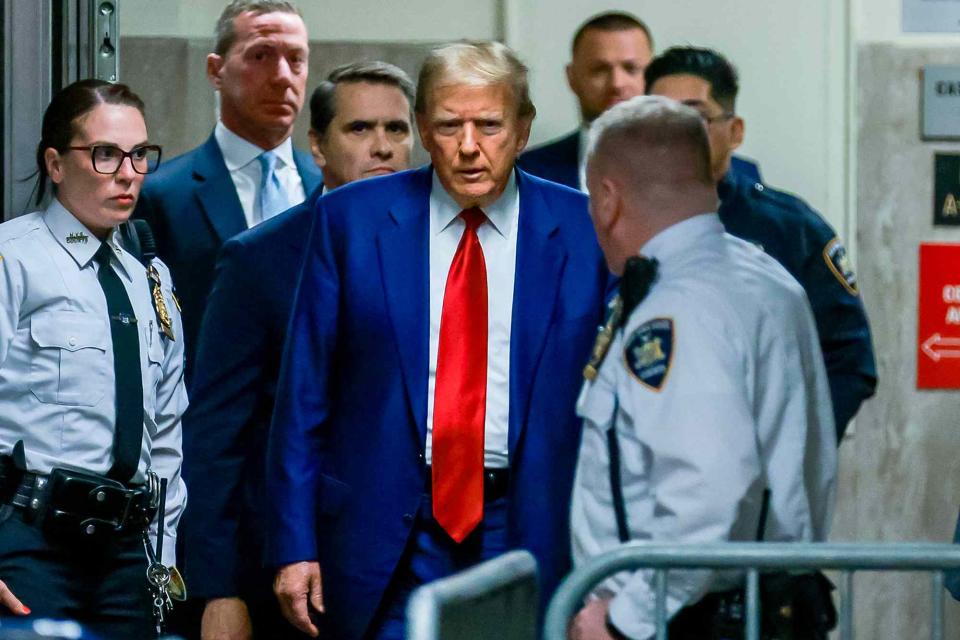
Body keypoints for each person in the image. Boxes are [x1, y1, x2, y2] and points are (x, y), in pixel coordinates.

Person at [266, 41, 610, 640]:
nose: (470, 146)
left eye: (490, 125)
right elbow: (303, 397)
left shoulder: (587, 231)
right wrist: (294, 545)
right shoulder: (352, 221)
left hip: (532, 521)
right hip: (388, 528)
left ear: (524, 129)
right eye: (450, 125)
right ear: (424, 129)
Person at [567, 95, 837, 640]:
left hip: (690, 620)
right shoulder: (765, 279)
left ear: (608, 200)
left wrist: (624, 620)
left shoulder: (676, 309)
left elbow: (708, 491)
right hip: (764, 604)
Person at [184, 60, 415, 640]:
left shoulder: (448, 253)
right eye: (360, 130)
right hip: (297, 565)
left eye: (397, 129)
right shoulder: (258, 259)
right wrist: (218, 588)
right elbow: (215, 437)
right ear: (317, 145)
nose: (382, 147)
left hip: (423, 554)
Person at [0, 79, 187, 638]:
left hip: (128, 557)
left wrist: (163, 555)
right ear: (56, 164)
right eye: (105, 154)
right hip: (32, 542)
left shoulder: (149, 279)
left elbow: (169, 431)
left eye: (139, 155)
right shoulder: (14, 259)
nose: (127, 172)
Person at [645, 46, 877, 439]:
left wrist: (797, 450)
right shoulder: (618, 226)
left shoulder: (789, 228)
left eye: (694, 117)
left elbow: (849, 361)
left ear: (734, 132)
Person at [134, 0, 322, 374]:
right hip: (208, 413)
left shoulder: (328, 188)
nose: (282, 76)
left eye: (296, 59)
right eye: (261, 56)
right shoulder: (161, 195)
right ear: (215, 70)